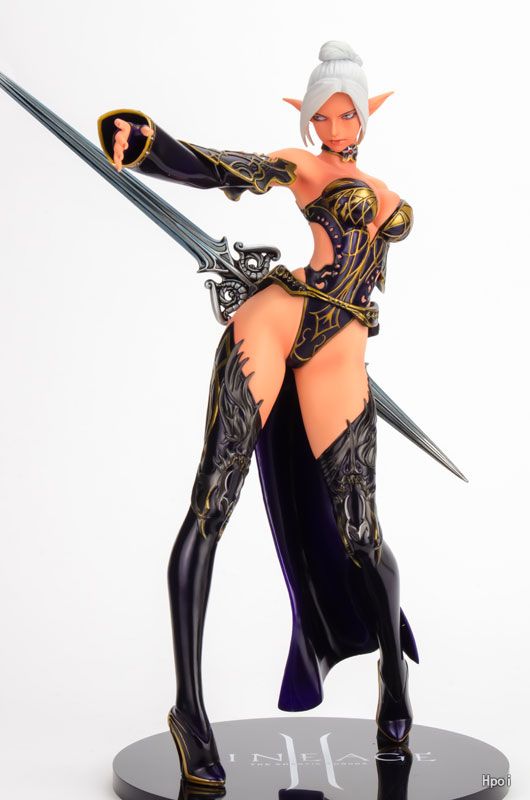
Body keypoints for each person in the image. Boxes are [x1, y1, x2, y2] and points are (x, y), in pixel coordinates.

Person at [98, 40, 418, 789]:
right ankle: (188, 711)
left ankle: (394, 683)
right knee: (212, 501)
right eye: (321, 116)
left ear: (366, 114)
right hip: (279, 318)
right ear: (306, 120)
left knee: (363, 535)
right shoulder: (300, 166)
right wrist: (149, 146)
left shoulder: (388, 194)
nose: (334, 128)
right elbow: (226, 168)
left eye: (346, 113)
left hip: (340, 348)